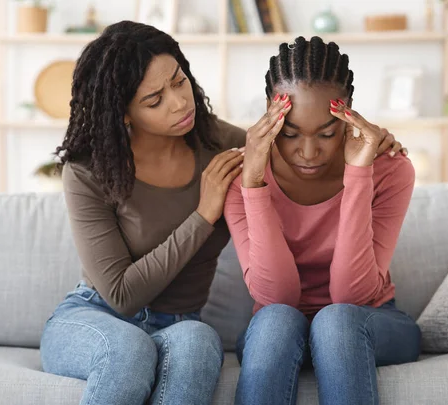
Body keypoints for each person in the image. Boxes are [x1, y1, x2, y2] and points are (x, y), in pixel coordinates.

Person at [39, 21, 408, 405]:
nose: (180, 103)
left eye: (179, 82)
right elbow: (120, 295)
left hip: (181, 322)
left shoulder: (225, 145)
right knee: (129, 352)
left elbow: (297, 142)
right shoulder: (87, 171)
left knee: (200, 345)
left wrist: (377, 147)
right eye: (155, 100)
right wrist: (202, 216)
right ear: (125, 112)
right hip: (98, 315)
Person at [224, 36, 421, 405]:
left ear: (348, 116)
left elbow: (352, 295)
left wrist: (359, 174)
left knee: (335, 323)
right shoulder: (242, 176)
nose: (309, 152)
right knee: (276, 322)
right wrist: (254, 183)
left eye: (327, 133)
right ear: (269, 114)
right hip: (279, 330)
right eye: (290, 133)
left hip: (371, 321)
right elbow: (276, 297)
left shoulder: (390, 171)